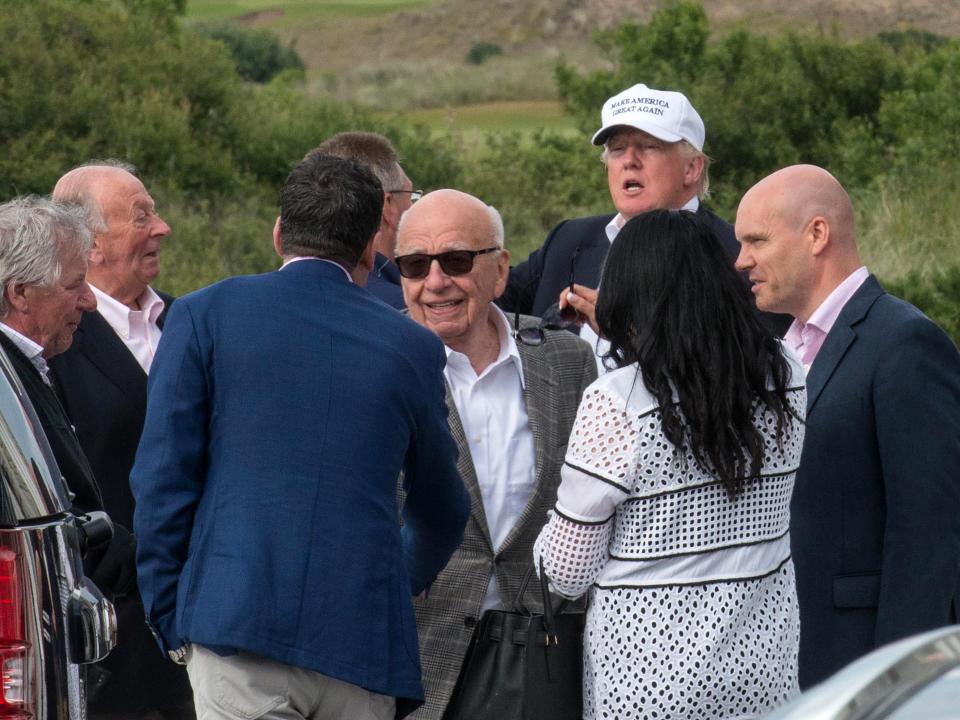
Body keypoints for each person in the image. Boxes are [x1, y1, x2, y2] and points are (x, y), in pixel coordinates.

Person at [130, 154, 470, 720]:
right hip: (360, 642)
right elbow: (444, 506)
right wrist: (391, 582)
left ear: (279, 234)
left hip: (234, 628)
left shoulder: (201, 315)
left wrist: (173, 617)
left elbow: (163, 484)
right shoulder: (411, 345)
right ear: (370, 250)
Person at [535, 209, 806, 719]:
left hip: (647, 682)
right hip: (765, 670)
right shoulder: (786, 369)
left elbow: (565, 572)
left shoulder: (618, 400)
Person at [735, 164, 960, 688]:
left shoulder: (905, 344)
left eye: (756, 241)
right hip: (775, 661)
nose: (740, 259)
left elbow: (928, 536)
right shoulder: (778, 350)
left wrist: (901, 682)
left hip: (859, 663)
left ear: (817, 234)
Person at [394, 189, 597, 719]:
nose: (435, 282)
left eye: (457, 260)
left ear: (501, 270)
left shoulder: (568, 362)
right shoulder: (374, 364)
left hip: (544, 660)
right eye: (415, 265)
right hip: (418, 664)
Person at [498, 83, 790, 369]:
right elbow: (486, 294)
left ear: (692, 168)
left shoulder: (739, 258)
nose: (629, 161)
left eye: (649, 147)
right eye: (617, 149)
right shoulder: (570, 240)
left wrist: (630, 337)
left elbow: (754, 373)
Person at [49, 160, 192, 720]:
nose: (161, 227)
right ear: (89, 246)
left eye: (154, 211)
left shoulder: (189, 321)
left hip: (210, 626)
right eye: (141, 217)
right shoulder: (57, 342)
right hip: (113, 637)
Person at [0, 196, 136, 592]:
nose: (89, 301)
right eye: (76, 285)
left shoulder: (28, 365)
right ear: (20, 293)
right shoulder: (9, 378)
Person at [306, 131, 418, 309]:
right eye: (411, 196)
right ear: (387, 206)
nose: (414, 208)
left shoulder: (278, 299)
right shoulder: (410, 310)